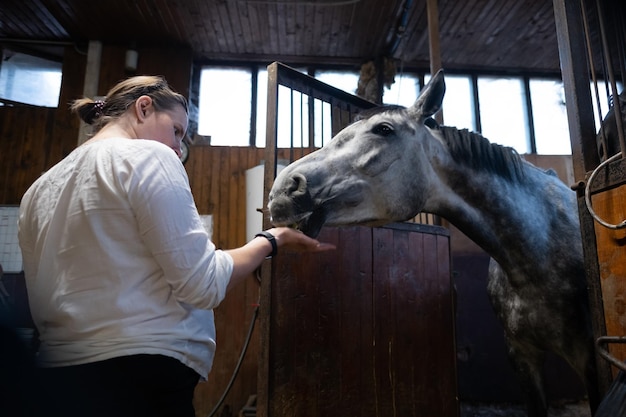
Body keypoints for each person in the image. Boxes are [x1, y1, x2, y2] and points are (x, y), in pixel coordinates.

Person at [17, 75, 334, 417]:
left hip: (56, 379)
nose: (177, 149)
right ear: (143, 108)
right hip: (139, 378)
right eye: (177, 131)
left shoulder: (38, 189)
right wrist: (273, 240)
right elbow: (203, 284)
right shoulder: (148, 156)